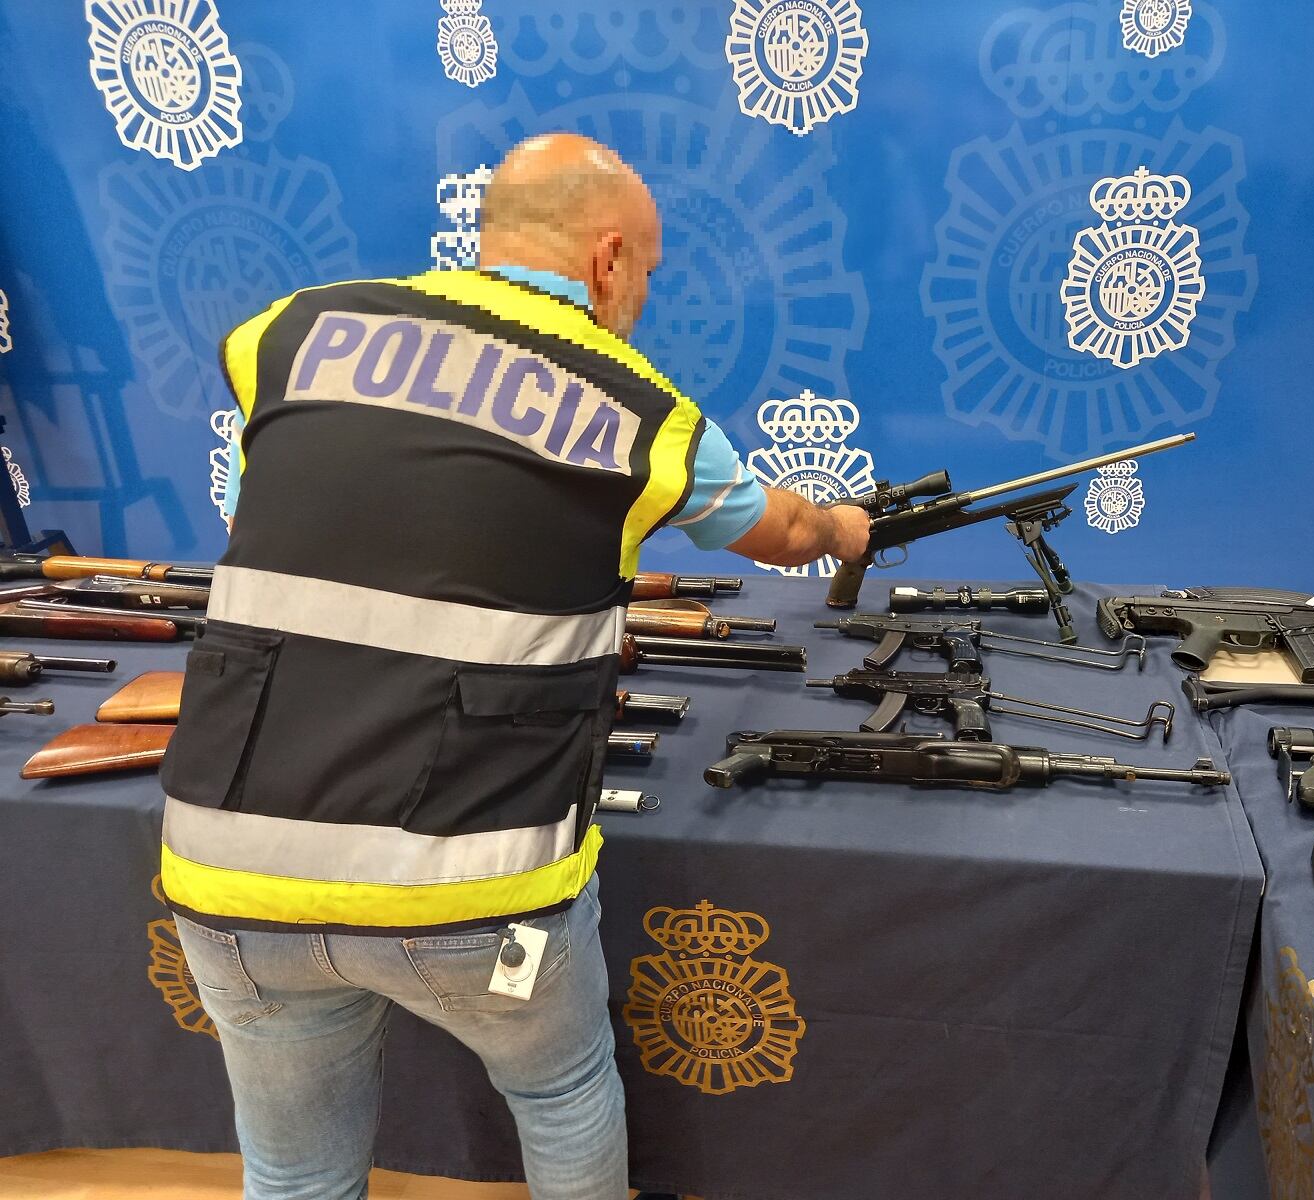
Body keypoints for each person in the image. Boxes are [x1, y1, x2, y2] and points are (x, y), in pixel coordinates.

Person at [165, 133, 870, 1200]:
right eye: (649, 273)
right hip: (473, 887)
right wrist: (844, 531)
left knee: (295, 1174)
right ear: (608, 258)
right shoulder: (639, 411)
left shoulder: (294, 334)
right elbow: (777, 531)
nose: (643, 295)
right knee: (563, 1090)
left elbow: (249, 511)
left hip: (233, 866)